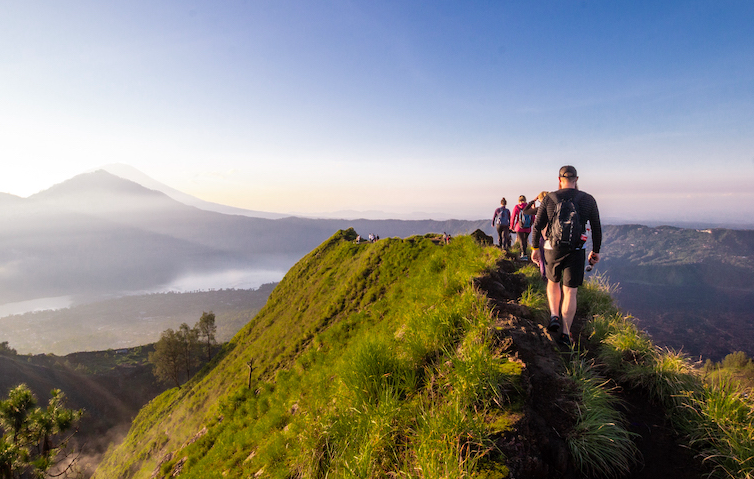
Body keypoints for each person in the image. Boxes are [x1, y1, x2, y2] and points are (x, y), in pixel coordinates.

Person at [531, 166, 601, 347]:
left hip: (552, 249)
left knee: (553, 283)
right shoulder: (588, 200)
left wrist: (534, 248)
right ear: (576, 179)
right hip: (576, 250)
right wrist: (596, 251)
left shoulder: (550, 198)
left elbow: (537, 225)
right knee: (570, 291)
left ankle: (554, 315)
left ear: (559, 179)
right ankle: (565, 333)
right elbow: (596, 228)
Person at [510, 195, 533, 260]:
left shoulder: (517, 207)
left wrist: (511, 226)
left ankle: (524, 255)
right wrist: (531, 224)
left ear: (519, 200)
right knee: (525, 240)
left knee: (521, 241)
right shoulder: (529, 207)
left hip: (519, 227)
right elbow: (533, 217)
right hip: (528, 227)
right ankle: (525, 254)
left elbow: (513, 217)